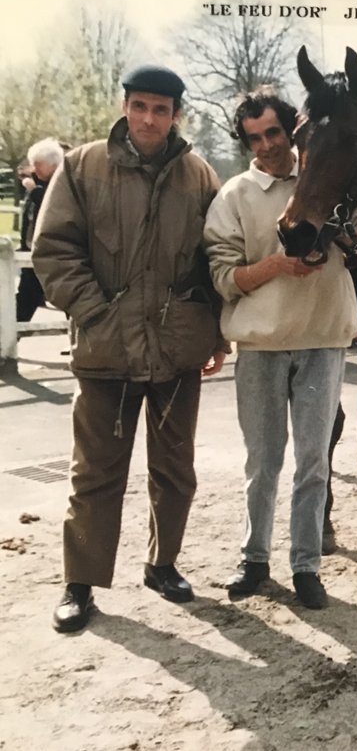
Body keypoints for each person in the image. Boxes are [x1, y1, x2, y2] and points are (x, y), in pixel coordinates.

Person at [32, 65, 225, 633]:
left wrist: (216, 335)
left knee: (175, 469)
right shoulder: (82, 166)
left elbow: (215, 261)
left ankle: (162, 565)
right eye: (139, 106)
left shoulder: (199, 175)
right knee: (94, 474)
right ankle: (80, 583)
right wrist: (96, 313)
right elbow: (53, 251)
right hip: (105, 351)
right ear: (124, 106)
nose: (148, 119)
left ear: (176, 115)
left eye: (160, 110)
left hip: (176, 352)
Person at [203, 87, 357, 609]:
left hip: (322, 341)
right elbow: (222, 274)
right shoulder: (235, 195)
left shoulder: (324, 179)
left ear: (292, 131)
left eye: (273, 133)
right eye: (254, 138)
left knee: (313, 463)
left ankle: (306, 565)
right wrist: (275, 266)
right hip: (261, 345)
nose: (266, 146)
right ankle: (254, 558)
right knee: (262, 462)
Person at [16, 138, 64, 321]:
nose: (34, 169)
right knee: (26, 298)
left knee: (68, 296)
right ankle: (9, 334)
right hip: (32, 250)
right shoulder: (37, 181)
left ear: (53, 165)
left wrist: (34, 191)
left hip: (55, 254)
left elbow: (52, 206)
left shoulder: (63, 183)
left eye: (38, 165)